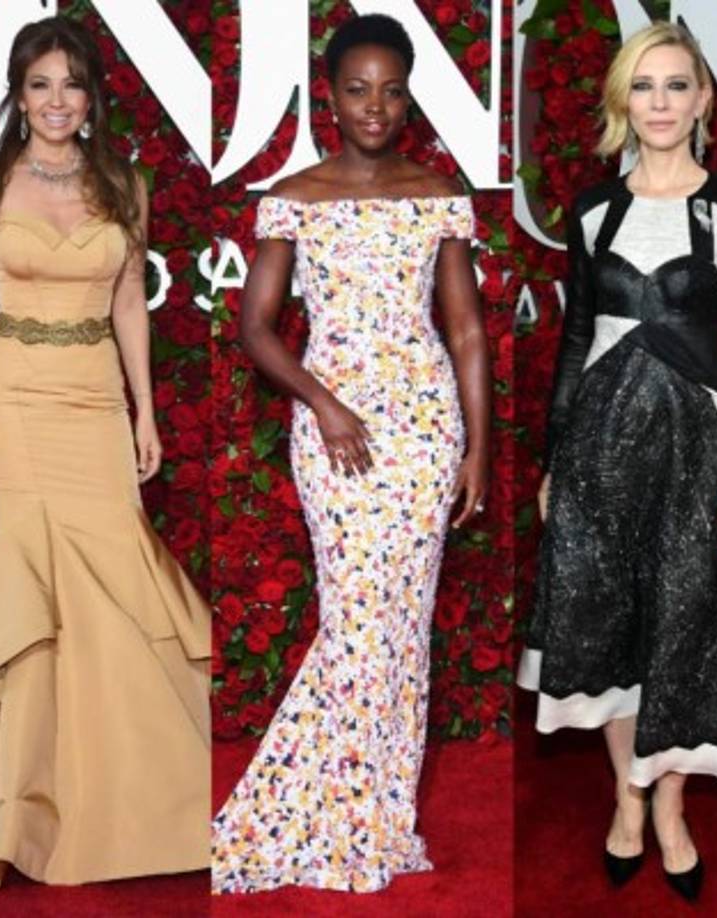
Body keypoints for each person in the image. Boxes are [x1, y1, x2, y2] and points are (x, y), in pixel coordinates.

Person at [0, 17, 210, 890]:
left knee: (115, 570)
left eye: (71, 84)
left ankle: (124, 792)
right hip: (15, 397)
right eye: (39, 84)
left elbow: (128, 308)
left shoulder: (125, 183)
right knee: (39, 583)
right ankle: (34, 808)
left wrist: (142, 411)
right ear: (17, 93)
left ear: (93, 97)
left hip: (93, 396)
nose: (55, 101)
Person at [211, 13, 491, 894]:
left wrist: (475, 452)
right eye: (358, 89)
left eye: (392, 89)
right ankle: (312, 810)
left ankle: (377, 815)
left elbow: (467, 333)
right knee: (359, 619)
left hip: (422, 430)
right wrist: (323, 402)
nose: (375, 105)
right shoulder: (295, 196)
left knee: (401, 631)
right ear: (328, 97)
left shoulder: (437, 192)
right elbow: (256, 330)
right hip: (335, 432)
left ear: (409, 98)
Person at [516, 22, 717, 902]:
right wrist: (554, 460)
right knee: (603, 622)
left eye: (675, 86)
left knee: (679, 625)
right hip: (596, 450)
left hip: (695, 451)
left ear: (702, 102)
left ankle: (664, 808)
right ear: (620, 102)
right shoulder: (594, 209)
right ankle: (626, 801)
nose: (659, 103)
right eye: (643, 86)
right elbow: (575, 337)